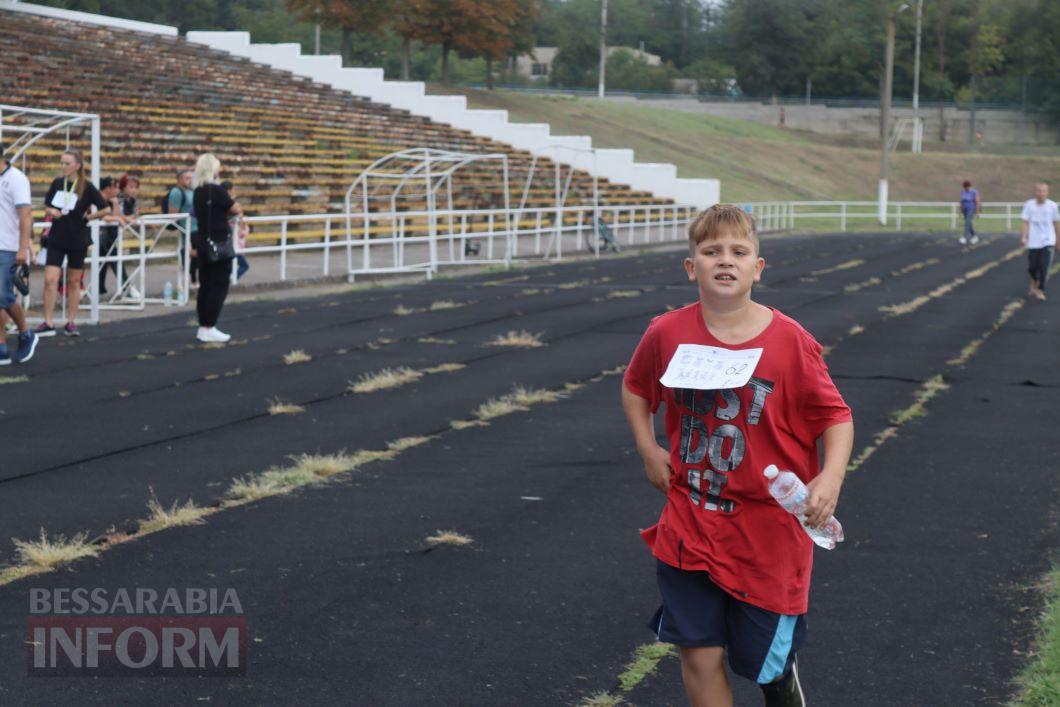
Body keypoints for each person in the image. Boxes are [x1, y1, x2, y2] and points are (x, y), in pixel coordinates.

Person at [621, 204, 854, 707]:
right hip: (690, 519)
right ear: (692, 267)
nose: (724, 260)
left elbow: (836, 418)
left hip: (766, 532)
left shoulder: (791, 342)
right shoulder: (666, 332)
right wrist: (647, 447)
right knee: (697, 654)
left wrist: (830, 479)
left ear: (757, 267)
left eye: (737, 251)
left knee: (763, 666)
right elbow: (637, 387)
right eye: (711, 251)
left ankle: (783, 683)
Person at [37, 150, 110, 337]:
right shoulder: (57, 183)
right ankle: (48, 321)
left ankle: (70, 322)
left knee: (74, 281)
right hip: (56, 238)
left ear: (77, 166)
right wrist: (51, 212)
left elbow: (105, 208)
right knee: (49, 279)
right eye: (62, 163)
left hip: (78, 239)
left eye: (67, 163)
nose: (63, 166)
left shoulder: (87, 186)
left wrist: (89, 216)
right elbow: (47, 205)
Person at [192, 154, 242, 343]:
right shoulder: (217, 190)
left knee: (205, 285)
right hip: (219, 243)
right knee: (219, 285)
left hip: (203, 243)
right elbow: (235, 208)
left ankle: (203, 326)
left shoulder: (198, 191)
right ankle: (209, 326)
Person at [0, 145, 39, 364]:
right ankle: (1, 346)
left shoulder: (15, 179)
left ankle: (25, 333)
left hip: (8, 246)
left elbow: (25, 215)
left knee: (2, 295)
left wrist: (23, 247)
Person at [1021, 183, 1060, 302]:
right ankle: (1034, 281)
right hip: (1034, 241)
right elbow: (1025, 222)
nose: (1041, 193)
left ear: (1047, 192)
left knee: (1044, 267)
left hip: (1048, 241)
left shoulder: (1052, 206)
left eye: (1043, 191)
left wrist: (1058, 240)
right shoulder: (1029, 205)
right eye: (1038, 191)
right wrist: (1024, 236)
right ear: (1035, 192)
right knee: (1032, 268)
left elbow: (1056, 224)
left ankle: (1040, 290)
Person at [166, 169, 198, 286]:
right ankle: (190, 278)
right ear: (179, 179)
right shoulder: (176, 192)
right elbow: (173, 214)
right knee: (191, 253)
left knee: (198, 254)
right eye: (187, 178)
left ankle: (194, 278)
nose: (190, 181)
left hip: (197, 226)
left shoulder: (192, 191)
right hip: (188, 227)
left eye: (191, 178)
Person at [97, 176, 127, 296]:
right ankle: (126, 286)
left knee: (103, 261)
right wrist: (116, 218)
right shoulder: (97, 199)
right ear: (108, 188)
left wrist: (115, 204)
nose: (118, 190)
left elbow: (118, 215)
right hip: (100, 236)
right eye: (116, 187)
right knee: (112, 257)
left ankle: (100, 288)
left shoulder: (111, 200)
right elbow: (101, 216)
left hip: (108, 236)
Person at [220, 181, 250, 281]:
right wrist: (241, 219)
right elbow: (243, 231)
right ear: (229, 190)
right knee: (244, 265)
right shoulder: (231, 213)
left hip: (233, 244)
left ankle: (229, 279)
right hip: (233, 245)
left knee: (229, 265)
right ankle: (230, 280)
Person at [958, 180, 981, 245]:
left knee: (967, 222)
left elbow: (977, 202)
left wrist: (977, 212)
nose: (966, 189)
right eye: (965, 187)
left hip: (971, 209)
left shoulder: (974, 192)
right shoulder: (962, 192)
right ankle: (974, 236)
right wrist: (961, 211)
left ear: (970, 186)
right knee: (969, 223)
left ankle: (964, 237)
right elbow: (961, 201)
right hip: (965, 209)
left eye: (967, 187)